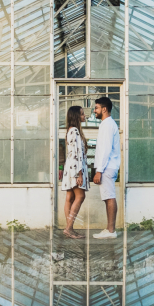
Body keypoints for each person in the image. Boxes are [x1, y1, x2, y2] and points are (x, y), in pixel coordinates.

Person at [92, 97, 120, 239]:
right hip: (108, 167)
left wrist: (99, 171)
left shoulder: (108, 124)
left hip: (107, 167)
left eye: (96, 108)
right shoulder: (106, 124)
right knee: (108, 197)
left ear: (104, 109)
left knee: (109, 197)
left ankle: (111, 231)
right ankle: (110, 229)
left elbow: (106, 150)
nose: (94, 110)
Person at [61, 106, 89, 239]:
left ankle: (69, 228)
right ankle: (69, 228)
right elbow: (77, 154)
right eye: (82, 114)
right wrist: (80, 174)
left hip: (70, 168)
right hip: (75, 169)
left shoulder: (70, 131)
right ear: (76, 116)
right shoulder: (75, 131)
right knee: (80, 197)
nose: (85, 116)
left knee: (70, 198)